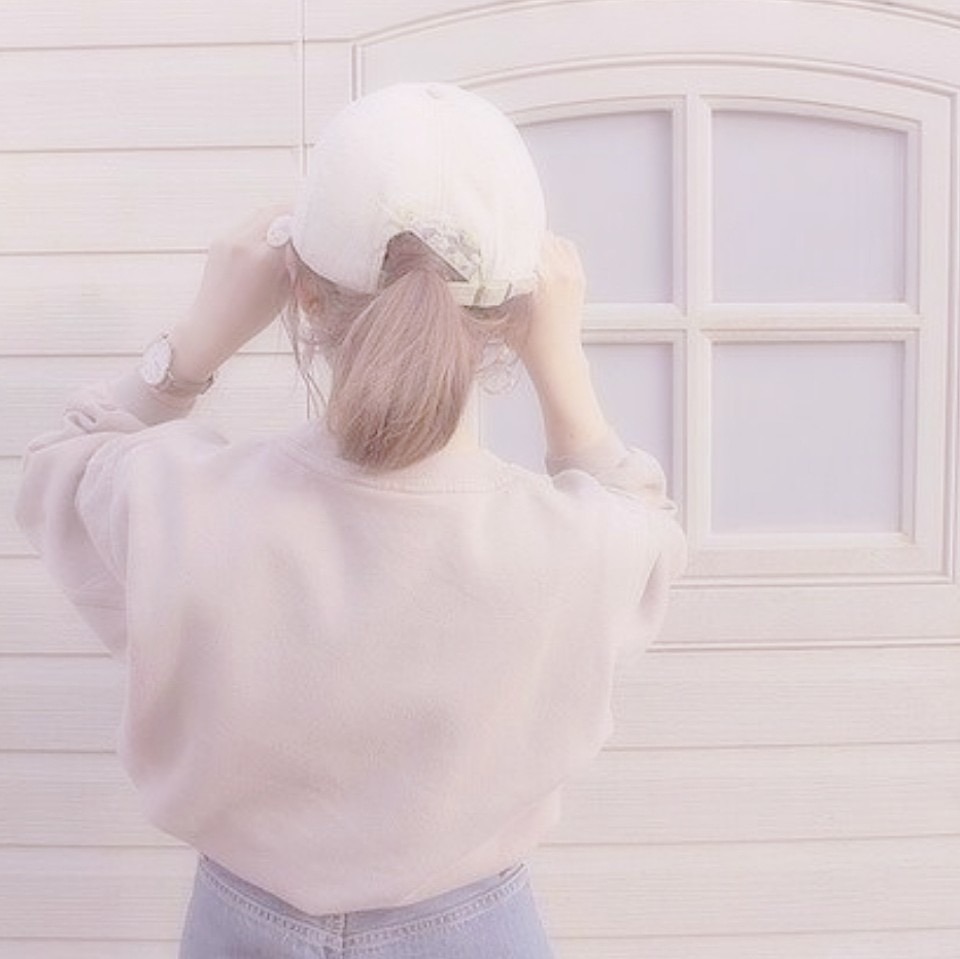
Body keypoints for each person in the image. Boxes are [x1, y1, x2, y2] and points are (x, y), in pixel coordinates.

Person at [14, 81, 688, 958]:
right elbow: (644, 524)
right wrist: (561, 363)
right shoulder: (576, 545)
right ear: (515, 313)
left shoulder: (181, 499)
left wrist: (193, 347)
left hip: (236, 929)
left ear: (301, 293)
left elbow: (58, 466)